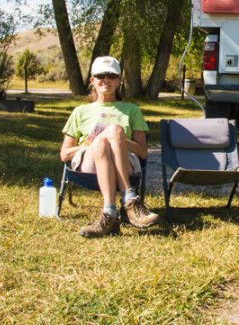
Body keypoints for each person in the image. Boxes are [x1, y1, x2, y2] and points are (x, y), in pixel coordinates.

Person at [60, 56, 162, 237]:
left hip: (126, 161)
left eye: (111, 75)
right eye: (100, 75)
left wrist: (119, 139)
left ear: (119, 81)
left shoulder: (132, 110)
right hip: (89, 163)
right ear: (92, 80)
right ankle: (130, 200)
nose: (106, 79)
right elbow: (65, 154)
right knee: (104, 140)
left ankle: (109, 214)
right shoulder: (80, 111)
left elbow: (142, 152)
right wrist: (91, 144)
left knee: (114, 131)